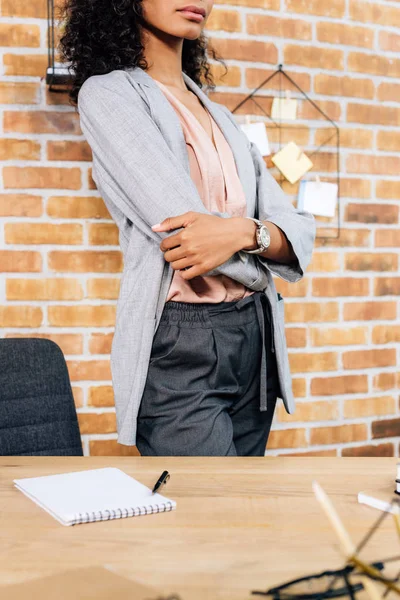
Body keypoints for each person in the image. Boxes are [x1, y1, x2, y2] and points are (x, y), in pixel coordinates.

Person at [59, 0, 316, 456]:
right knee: (209, 517)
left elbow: (298, 230)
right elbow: (184, 231)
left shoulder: (219, 114)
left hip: (256, 335)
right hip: (183, 340)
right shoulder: (109, 95)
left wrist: (240, 233)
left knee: (243, 508)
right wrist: (263, 245)